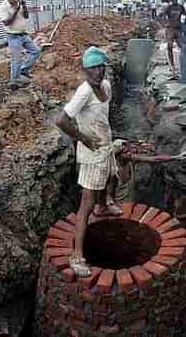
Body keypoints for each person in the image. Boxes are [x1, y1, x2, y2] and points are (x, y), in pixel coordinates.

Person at [56, 47, 123, 278]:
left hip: (105, 146)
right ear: (84, 70)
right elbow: (62, 121)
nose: (99, 71)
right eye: (93, 67)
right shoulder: (83, 92)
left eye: (101, 66)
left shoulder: (106, 86)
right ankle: (76, 255)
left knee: (111, 177)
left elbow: (103, 117)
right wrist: (84, 139)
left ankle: (104, 206)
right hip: (92, 153)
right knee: (86, 203)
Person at [0, 0, 41, 90]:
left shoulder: (19, 4)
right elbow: (6, 22)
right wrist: (16, 11)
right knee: (16, 59)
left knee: (36, 51)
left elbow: (26, 16)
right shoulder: (3, 7)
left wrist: (24, 6)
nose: (17, 1)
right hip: (13, 36)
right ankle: (14, 82)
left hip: (23, 34)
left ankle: (23, 70)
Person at [163, 0, 186, 78]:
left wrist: (184, 24)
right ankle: (172, 66)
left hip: (178, 29)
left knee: (182, 47)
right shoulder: (169, 8)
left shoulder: (181, 7)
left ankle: (184, 66)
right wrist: (166, 23)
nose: (173, 0)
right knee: (169, 46)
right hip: (170, 29)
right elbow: (163, 16)